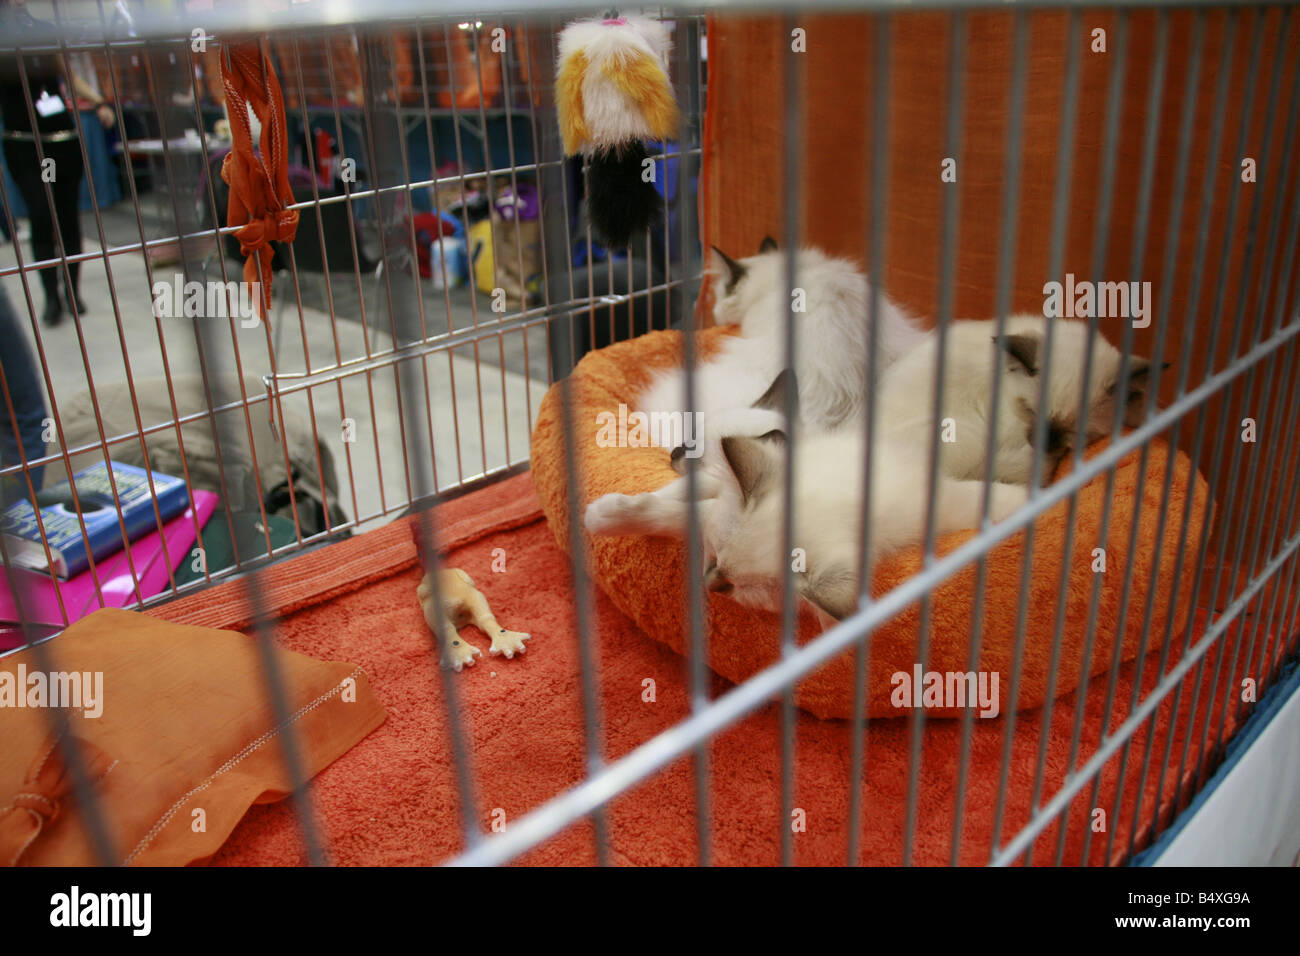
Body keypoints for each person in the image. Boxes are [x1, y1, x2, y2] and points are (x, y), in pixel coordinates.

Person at [0, 0, 115, 327]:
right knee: (40, 214)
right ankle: (51, 295)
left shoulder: (47, 32)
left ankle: (72, 291)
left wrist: (99, 101)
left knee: (67, 218)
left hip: (61, 141)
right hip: (23, 144)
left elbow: (69, 75)